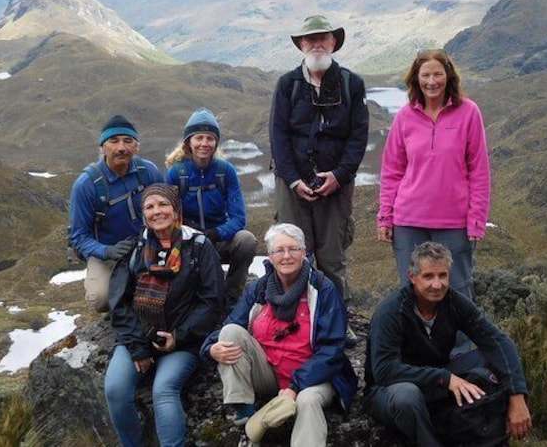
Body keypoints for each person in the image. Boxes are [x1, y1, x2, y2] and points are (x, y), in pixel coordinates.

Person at [200, 223, 357, 447]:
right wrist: (209, 348)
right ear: (270, 255)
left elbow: (332, 349)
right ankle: (245, 410)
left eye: (293, 249)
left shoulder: (323, 289)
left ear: (304, 252)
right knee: (230, 332)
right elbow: (233, 322)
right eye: (279, 250)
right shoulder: (260, 289)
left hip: (314, 378)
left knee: (308, 400)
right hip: (270, 371)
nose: (286, 256)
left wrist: (294, 387)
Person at [364, 241, 532, 446]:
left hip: (436, 378)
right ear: (412, 277)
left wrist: (517, 395)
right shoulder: (391, 311)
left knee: (492, 357)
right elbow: (384, 370)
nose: (437, 284)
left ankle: (488, 433)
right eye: (428, 276)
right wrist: (444, 378)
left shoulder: (453, 302)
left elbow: (497, 341)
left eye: (442, 275)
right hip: (389, 390)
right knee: (407, 396)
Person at [269, 14, 369, 346]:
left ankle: (336, 322)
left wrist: (340, 176)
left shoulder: (351, 84)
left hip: (335, 184)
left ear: (333, 43)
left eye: (322, 38)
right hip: (292, 182)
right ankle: (294, 321)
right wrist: (294, 180)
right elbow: (278, 137)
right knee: (293, 252)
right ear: (300, 45)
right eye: (310, 39)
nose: (316, 44)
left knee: (331, 255)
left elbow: (358, 137)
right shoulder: (287, 84)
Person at [104, 183, 224, 447]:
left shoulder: (200, 246)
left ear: (176, 209)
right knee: (115, 390)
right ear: (144, 214)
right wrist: (138, 347)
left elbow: (211, 301)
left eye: (163, 205)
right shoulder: (134, 248)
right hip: (139, 337)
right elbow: (119, 302)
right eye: (149, 206)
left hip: (183, 340)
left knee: (164, 389)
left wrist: (178, 337)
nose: (157, 211)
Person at [377, 48, 490, 300]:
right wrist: (385, 217)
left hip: (454, 222)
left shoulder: (469, 112)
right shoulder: (405, 116)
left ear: (448, 76)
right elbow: (392, 171)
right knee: (411, 290)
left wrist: (477, 219)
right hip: (408, 221)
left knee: (458, 290)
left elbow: (479, 171)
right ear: (416, 78)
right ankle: (417, 341)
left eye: (437, 74)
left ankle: (460, 342)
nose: (431, 82)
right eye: (425, 75)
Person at [68, 114, 164, 313]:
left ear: (136, 147)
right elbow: (79, 236)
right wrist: (107, 251)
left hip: (147, 244)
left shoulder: (148, 171)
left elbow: (167, 208)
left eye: (128, 141)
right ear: (102, 147)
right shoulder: (86, 185)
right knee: (100, 299)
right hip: (107, 252)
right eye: (114, 141)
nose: (121, 147)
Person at [165, 108, 256, 307]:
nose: (204, 144)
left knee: (246, 240)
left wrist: (216, 233)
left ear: (216, 142)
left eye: (210, 138)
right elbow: (168, 218)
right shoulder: (175, 174)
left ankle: (232, 294)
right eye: (199, 138)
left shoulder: (226, 171)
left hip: (219, 239)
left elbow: (239, 219)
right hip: (189, 243)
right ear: (188, 141)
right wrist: (193, 236)